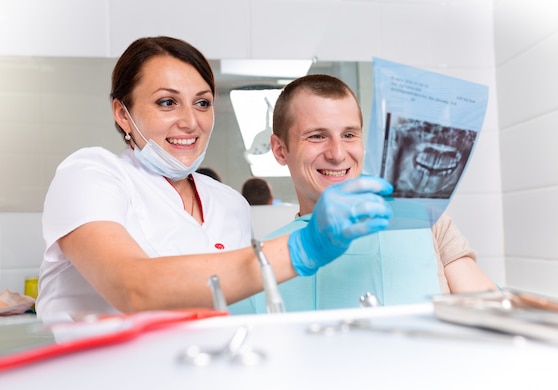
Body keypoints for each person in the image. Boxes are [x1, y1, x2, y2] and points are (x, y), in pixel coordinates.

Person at [36, 37, 395, 321]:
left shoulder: (229, 204)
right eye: (166, 103)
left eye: (202, 103)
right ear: (123, 114)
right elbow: (132, 288)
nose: (190, 122)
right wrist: (304, 247)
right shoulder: (90, 174)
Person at [230, 74, 496, 314]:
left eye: (348, 135)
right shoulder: (265, 258)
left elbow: (489, 312)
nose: (337, 153)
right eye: (316, 136)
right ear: (279, 150)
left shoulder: (424, 219)